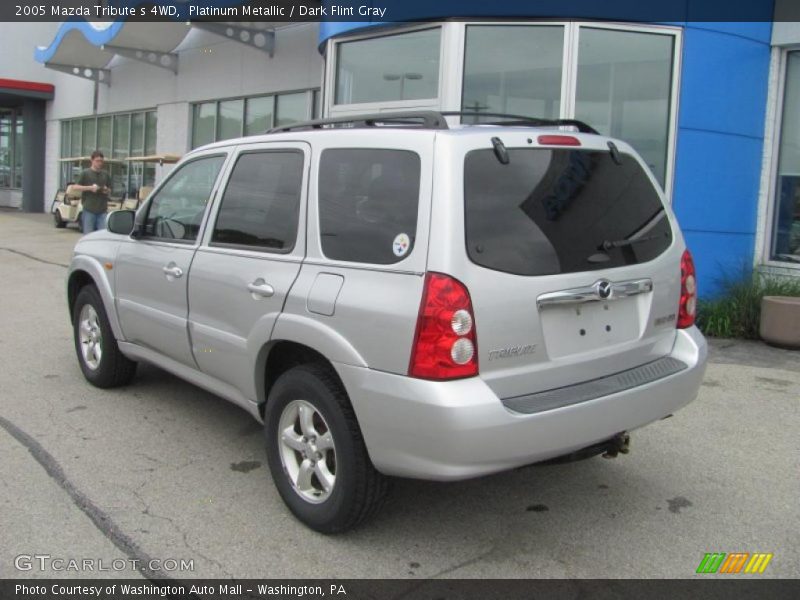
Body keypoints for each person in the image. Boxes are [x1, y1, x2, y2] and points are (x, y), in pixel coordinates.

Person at [73, 150, 111, 232]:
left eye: (101, 161)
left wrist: (106, 190)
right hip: (89, 210)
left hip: (102, 210)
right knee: (88, 234)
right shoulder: (85, 173)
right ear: (92, 160)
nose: (99, 163)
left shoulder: (106, 174)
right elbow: (75, 187)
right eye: (97, 161)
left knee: (102, 235)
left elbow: (110, 189)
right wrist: (90, 188)